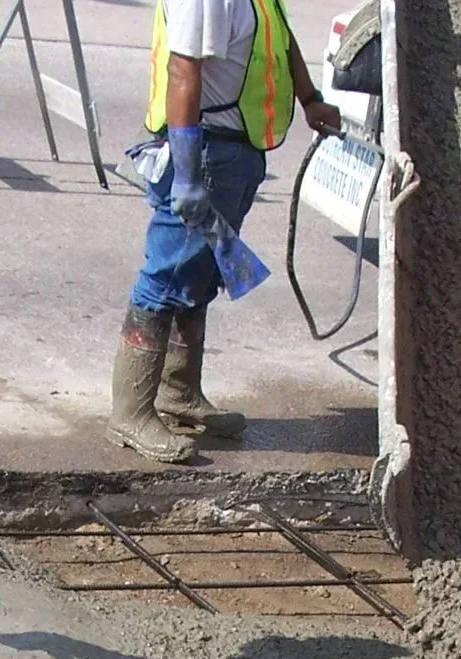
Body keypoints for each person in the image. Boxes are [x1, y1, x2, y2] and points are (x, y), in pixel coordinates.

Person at [107, 0, 343, 464]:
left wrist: (310, 97)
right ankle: (131, 414)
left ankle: (179, 393)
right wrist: (189, 172)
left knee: (200, 275)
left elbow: (280, 39)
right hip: (204, 149)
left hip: (237, 150)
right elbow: (182, 70)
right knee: (166, 278)